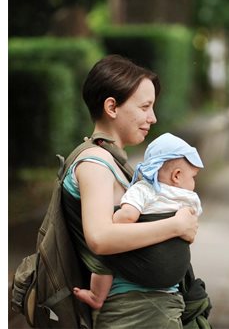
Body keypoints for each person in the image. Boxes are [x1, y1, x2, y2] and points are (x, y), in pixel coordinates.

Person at [62, 54, 200, 328]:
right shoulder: (95, 165)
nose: (153, 117)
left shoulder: (111, 161)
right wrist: (176, 226)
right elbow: (101, 237)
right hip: (134, 311)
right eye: (145, 107)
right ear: (112, 107)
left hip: (145, 308)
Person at [73, 132, 204, 311]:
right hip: (174, 275)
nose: (194, 183)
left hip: (146, 271)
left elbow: (127, 216)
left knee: (107, 257)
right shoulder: (190, 198)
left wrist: (113, 218)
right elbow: (191, 227)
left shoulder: (143, 189)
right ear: (177, 175)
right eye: (193, 177)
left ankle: (96, 296)